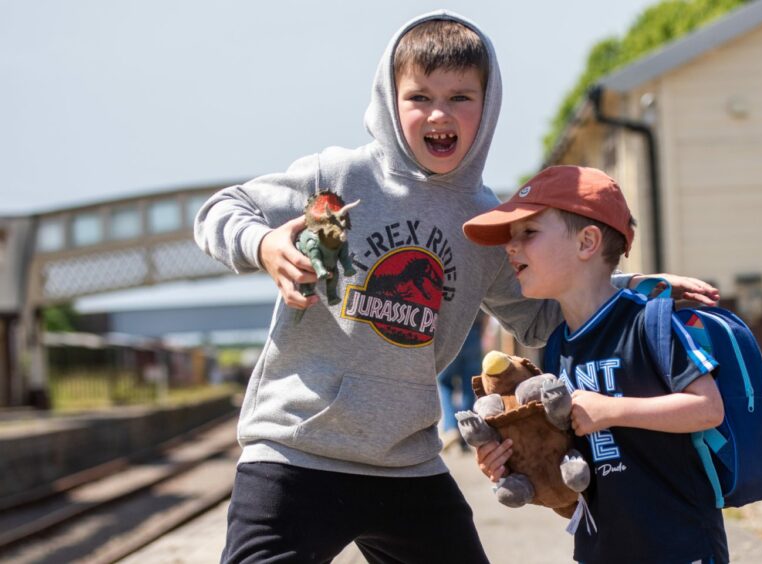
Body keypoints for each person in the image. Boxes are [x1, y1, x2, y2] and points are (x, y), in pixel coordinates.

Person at [195, 11, 719, 563]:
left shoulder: (482, 223)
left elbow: (543, 314)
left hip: (406, 461)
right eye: (419, 96)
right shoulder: (339, 179)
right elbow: (221, 210)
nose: (439, 113)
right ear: (389, 101)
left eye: (461, 97)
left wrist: (635, 288)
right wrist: (262, 244)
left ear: (487, 108)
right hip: (296, 449)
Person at [463, 165, 728, 563]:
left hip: (679, 545)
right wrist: (515, 460)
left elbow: (708, 408)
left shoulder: (649, 323)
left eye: (528, 233)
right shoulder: (557, 347)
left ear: (587, 242)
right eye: (511, 237)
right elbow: (569, 463)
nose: (510, 247)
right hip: (599, 549)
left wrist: (611, 411)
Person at [438, 311, 488, 451]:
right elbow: (486, 316)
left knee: (444, 383)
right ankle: (466, 433)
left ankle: (451, 427)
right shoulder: (477, 288)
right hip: (474, 333)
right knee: (469, 387)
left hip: (448, 334)